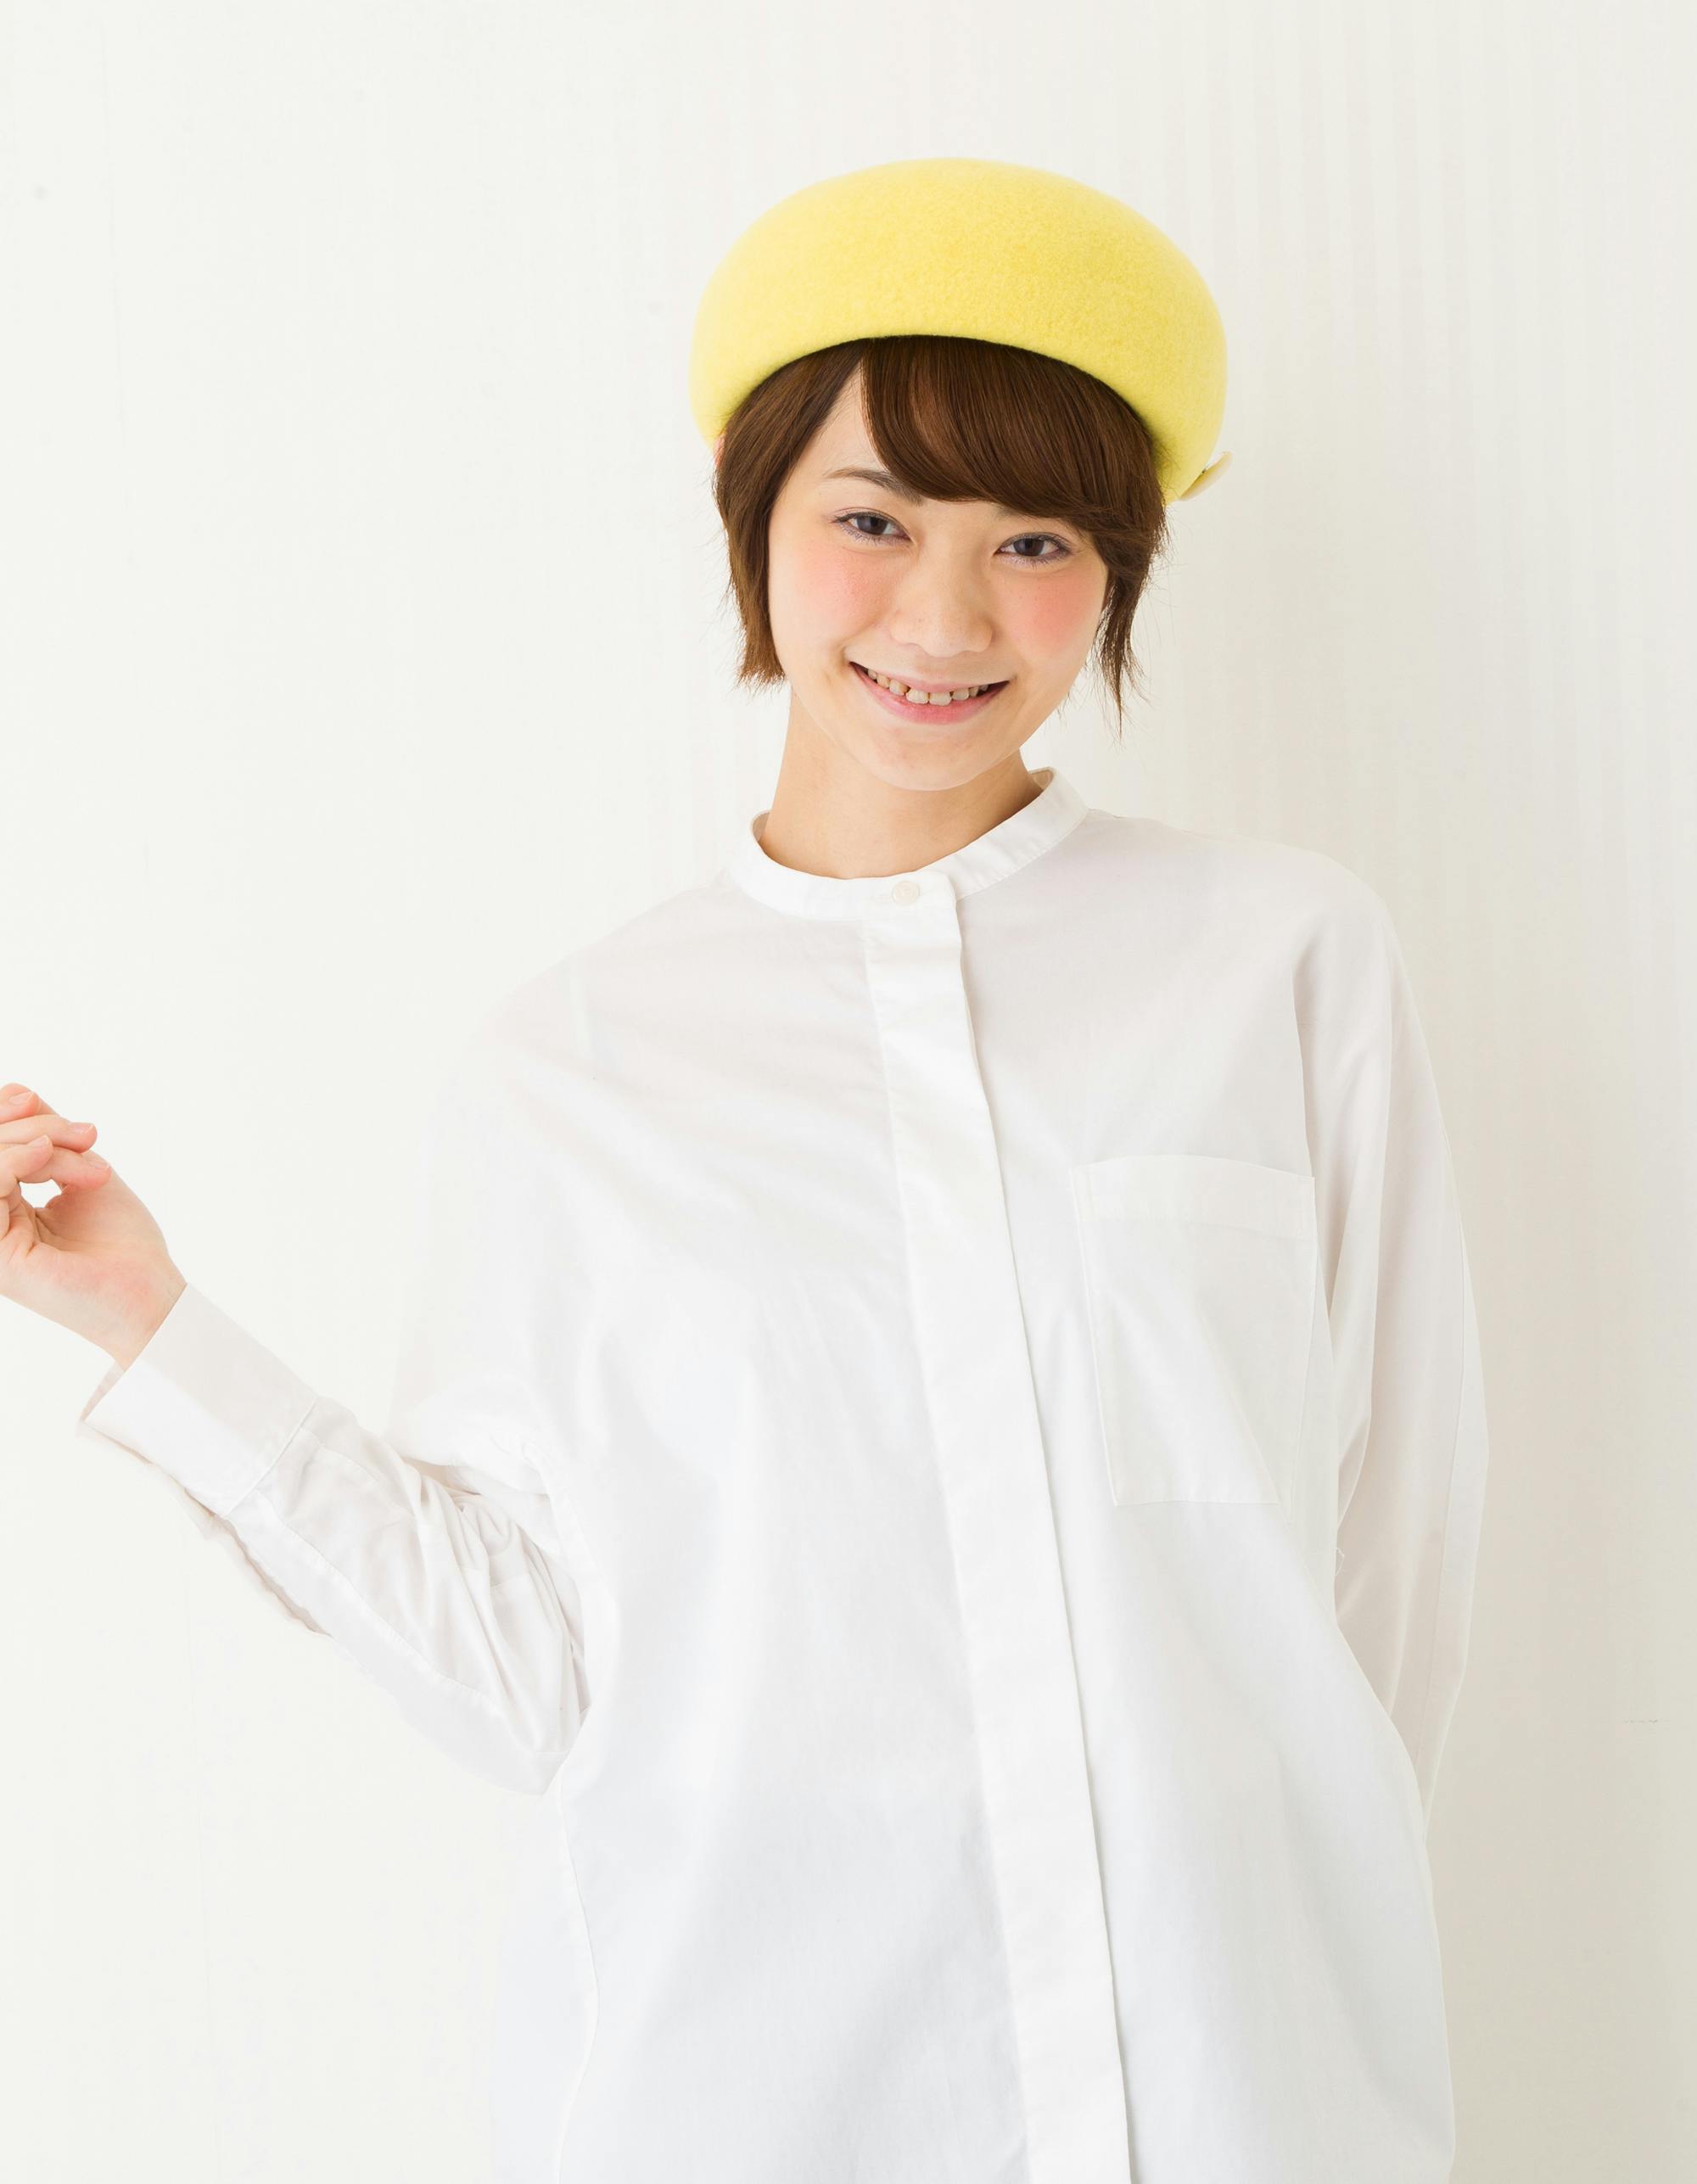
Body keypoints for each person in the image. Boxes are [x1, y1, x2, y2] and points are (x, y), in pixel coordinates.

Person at [1, 157, 1488, 2183]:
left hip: (1253, 2102)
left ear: (1117, 567)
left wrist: (1286, 1967)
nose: (943, 618)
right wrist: (142, 1321)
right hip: (762, 2104)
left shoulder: (1281, 964)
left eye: (1033, 540)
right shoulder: (572, 1065)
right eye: (872, 519)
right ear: (752, 508)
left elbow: (1390, 1560)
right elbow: (534, 1678)